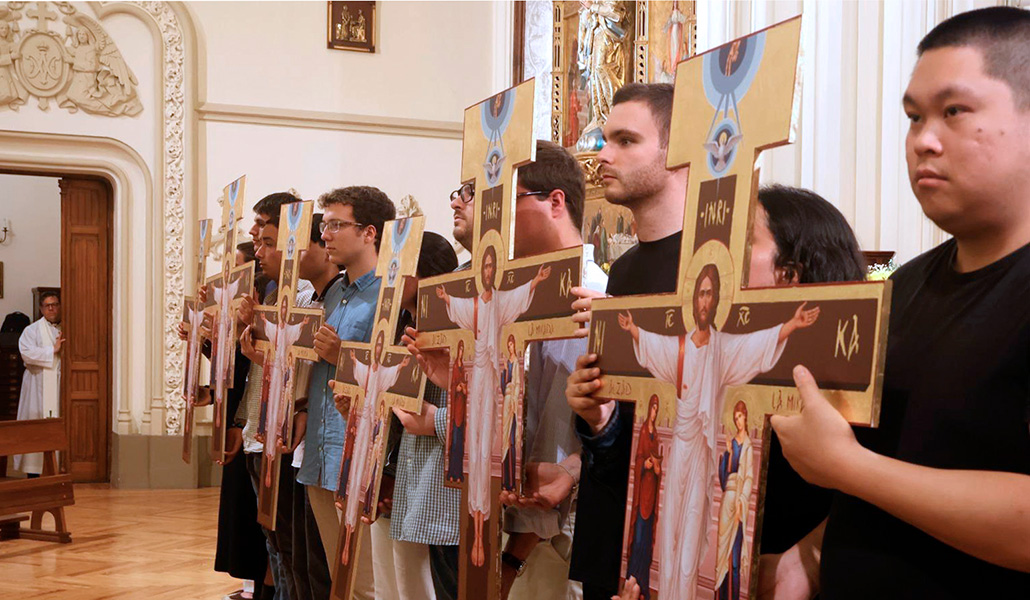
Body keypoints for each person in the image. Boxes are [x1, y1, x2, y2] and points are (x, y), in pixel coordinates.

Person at [767, 7, 1030, 599]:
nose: (923, 141)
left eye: (954, 111)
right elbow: (899, 468)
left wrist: (847, 468)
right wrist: (808, 554)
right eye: (914, 117)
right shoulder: (899, 290)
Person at [403, 140, 608, 599]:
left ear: (555, 202)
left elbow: (617, 430)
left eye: (504, 201)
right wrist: (455, 384)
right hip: (512, 528)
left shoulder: (600, 303)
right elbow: (518, 420)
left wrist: (572, 473)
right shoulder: (509, 306)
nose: (491, 218)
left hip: (574, 535)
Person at [301, 186, 395, 600]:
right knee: (341, 580)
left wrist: (343, 357)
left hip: (360, 454)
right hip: (321, 452)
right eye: (325, 225)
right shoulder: (335, 291)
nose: (326, 234)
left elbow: (397, 376)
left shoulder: (390, 294)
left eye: (337, 224)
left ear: (370, 232)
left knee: (367, 585)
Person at [14, 292, 65, 476]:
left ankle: (57, 471)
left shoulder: (67, 328)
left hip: (59, 386)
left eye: (55, 304)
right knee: (35, 427)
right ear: (41, 308)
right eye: (47, 305)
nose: (51, 308)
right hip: (37, 386)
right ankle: (33, 473)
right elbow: (26, 354)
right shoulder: (31, 330)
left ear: (60, 306)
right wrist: (53, 350)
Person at [715, 401, 751, 600]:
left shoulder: (747, 446)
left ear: (746, 417)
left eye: (740, 416)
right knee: (722, 558)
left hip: (738, 504)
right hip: (726, 502)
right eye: (735, 417)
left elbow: (748, 478)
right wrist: (727, 453)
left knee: (734, 559)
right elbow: (723, 480)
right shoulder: (733, 445)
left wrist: (741, 503)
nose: (738, 421)